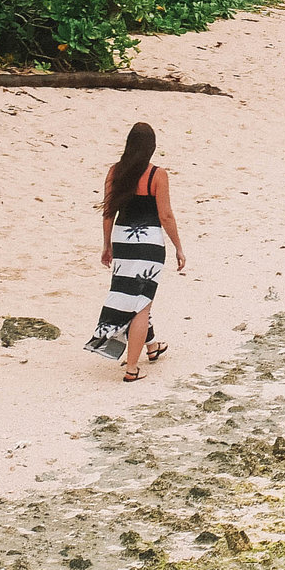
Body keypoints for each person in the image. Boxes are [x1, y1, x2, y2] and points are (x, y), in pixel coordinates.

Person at [90, 121, 187, 381]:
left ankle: (152, 347)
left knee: (131, 293)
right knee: (142, 303)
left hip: (123, 239)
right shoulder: (157, 175)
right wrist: (178, 246)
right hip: (149, 244)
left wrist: (106, 243)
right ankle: (132, 368)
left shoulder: (115, 172)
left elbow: (109, 211)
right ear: (151, 148)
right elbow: (165, 215)